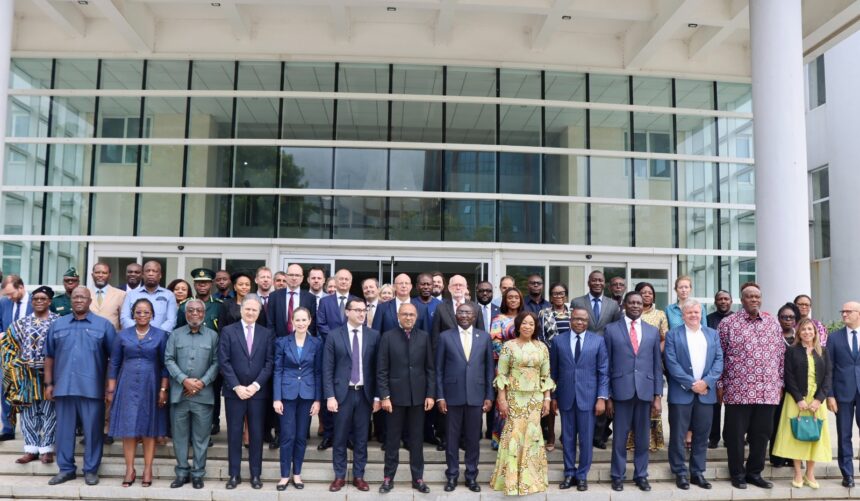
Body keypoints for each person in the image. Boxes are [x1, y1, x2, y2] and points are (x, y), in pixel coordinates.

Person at [44, 287, 116, 486]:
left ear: (89, 300)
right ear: (71, 300)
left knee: (93, 432)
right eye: (75, 296)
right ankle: (66, 469)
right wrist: (48, 383)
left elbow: (114, 359)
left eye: (82, 297)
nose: (78, 300)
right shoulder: (58, 325)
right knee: (64, 432)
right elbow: (49, 356)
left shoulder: (104, 326)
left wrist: (110, 386)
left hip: (92, 388)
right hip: (64, 387)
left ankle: (91, 470)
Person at [718, 283, 784, 490]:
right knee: (736, 436)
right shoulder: (729, 323)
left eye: (757, 296)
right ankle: (737, 474)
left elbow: (781, 356)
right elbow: (719, 356)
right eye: (750, 297)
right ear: (742, 299)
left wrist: (780, 383)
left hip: (767, 392)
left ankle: (755, 473)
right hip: (738, 392)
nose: (754, 300)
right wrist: (720, 384)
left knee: (762, 435)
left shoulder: (772, 323)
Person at [106, 298, 169, 488]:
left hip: (151, 383)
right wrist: (111, 389)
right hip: (126, 384)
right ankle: (129, 469)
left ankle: (148, 469)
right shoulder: (123, 335)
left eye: (146, 312)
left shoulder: (161, 335)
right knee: (129, 428)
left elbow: (165, 365)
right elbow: (114, 362)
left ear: (152, 315)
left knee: (149, 428)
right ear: (133, 314)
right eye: (138, 312)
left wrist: (163, 389)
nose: (142, 315)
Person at [489, 311, 554, 495]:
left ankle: (530, 481)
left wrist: (547, 399)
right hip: (514, 397)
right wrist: (501, 399)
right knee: (514, 436)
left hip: (535, 398)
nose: (527, 326)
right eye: (524, 323)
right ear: (518, 325)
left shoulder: (542, 347)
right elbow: (501, 374)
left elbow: (545, 376)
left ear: (535, 327)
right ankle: (509, 481)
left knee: (532, 436)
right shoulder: (508, 347)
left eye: (531, 324)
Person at [604, 291, 662, 492]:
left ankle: (641, 475)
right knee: (619, 438)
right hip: (621, 392)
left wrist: (658, 396)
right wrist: (608, 395)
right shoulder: (611, 330)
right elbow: (607, 365)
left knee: (643, 438)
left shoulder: (652, 331)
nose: (636, 305)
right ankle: (618, 476)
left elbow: (657, 365)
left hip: (645, 392)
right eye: (632, 302)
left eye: (639, 302)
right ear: (625, 305)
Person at [664, 298, 724, 490]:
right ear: (683, 316)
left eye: (696, 312)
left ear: (701, 314)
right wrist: (692, 384)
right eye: (689, 312)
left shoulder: (712, 334)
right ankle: (680, 473)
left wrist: (706, 382)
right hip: (681, 393)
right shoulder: (673, 335)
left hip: (706, 393)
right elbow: (671, 364)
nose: (693, 315)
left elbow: (719, 361)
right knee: (678, 435)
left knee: (701, 435)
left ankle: (697, 472)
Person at [323, 298, 380, 493]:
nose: (361, 314)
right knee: (339, 437)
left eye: (364, 310)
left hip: (364, 394)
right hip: (342, 394)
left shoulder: (374, 336)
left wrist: (378, 397)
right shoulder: (334, 336)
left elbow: (378, 369)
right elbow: (327, 368)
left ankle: (358, 476)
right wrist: (330, 396)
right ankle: (339, 476)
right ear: (347, 312)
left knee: (362, 438)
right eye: (357, 310)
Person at [377, 303, 435, 495]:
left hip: (418, 398)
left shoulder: (424, 337)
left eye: (411, 314)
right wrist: (384, 396)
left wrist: (430, 394)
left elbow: (430, 369)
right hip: (394, 399)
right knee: (392, 440)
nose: (408, 317)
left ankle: (418, 478)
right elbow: (382, 370)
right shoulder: (387, 337)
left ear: (416, 316)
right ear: (398, 316)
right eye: (405, 314)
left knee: (417, 441)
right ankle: (388, 478)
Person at [435, 303, 493, 493]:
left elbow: (489, 370)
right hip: (452, 396)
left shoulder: (484, 337)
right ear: (456, 315)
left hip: (476, 396)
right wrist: (440, 396)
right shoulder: (445, 337)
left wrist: (489, 396)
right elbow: (439, 370)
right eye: (461, 312)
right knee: (451, 439)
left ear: (475, 315)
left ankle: (471, 476)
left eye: (468, 312)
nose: (465, 315)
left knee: (472, 440)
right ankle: (452, 475)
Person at [218, 294, 274, 490]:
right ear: (241, 310)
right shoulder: (227, 331)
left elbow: (269, 363)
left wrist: (255, 386)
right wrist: (237, 386)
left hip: (257, 393)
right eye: (247, 309)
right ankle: (234, 475)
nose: (251, 312)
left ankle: (255, 475)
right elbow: (223, 361)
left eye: (255, 310)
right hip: (235, 393)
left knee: (257, 435)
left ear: (259, 313)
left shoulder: (266, 334)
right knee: (234, 434)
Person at [550, 306, 608, 492]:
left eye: (583, 319)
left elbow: (603, 372)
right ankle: (569, 473)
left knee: (585, 439)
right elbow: (554, 372)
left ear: (588, 321)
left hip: (589, 399)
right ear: (570, 319)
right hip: (566, 397)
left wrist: (601, 398)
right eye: (576, 319)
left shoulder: (598, 341)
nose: (579, 322)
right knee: (567, 439)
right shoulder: (558, 341)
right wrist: (553, 396)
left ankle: (582, 475)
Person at [164, 298, 220, 490]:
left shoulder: (213, 336)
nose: (194, 313)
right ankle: (181, 472)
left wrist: (202, 382)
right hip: (180, 395)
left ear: (204, 314)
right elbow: (168, 359)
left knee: (200, 438)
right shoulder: (175, 335)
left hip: (203, 396)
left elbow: (217, 362)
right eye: (190, 311)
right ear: (185, 313)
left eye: (198, 310)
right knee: (179, 437)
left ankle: (197, 473)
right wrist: (184, 380)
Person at [0, 286, 58, 464]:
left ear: (49, 302)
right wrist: (17, 365)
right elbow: (7, 347)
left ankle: (46, 449)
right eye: (36, 299)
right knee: (28, 413)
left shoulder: (59, 322)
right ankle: (31, 449)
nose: (39, 301)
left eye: (43, 299)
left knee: (49, 413)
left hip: (50, 377)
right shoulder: (20, 323)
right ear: (32, 302)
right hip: (26, 378)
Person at [772, 318, 832, 490]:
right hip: (795, 400)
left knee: (814, 436)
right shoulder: (792, 351)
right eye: (803, 329)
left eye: (810, 329)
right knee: (795, 437)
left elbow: (828, 377)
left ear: (815, 332)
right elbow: (788, 376)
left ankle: (810, 473)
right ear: (798, 333)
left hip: (816, 401)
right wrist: (799, 399)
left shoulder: (824, 352)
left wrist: (819, 400)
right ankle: (798, 473)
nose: (807, 332)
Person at [272, 307, 321, 491]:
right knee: (287, 436)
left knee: (301, 436)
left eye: (304, 320)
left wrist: (318, 400)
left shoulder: (316, 343)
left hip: (307, 395)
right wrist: (277, 398)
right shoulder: (282, 342)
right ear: (292, 322)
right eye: (297, 320)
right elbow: (277, 371)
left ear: (309, 321)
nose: (300, 323)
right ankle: (285, 475)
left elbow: (318, 372)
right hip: (286, 395)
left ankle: (297, 474)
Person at [176, 268, 224, 436]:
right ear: (194, 285)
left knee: (213, 391)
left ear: (211, 284)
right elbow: (179, 330)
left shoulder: (219, 306)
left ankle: (212, 423)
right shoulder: (185, 306)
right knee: (189, 393)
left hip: (211, 356)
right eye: (198, 283)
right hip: (188, 355)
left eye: (205, 282)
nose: (202, 285)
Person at [315, 268, 359, 451]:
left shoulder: (357, 301)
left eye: (347, 279)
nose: (343, 282)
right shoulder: (325, 301)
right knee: (330, 394)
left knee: (348, 397)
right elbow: (320, 324)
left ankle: (348, 436)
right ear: (335, 281)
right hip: (331, 351)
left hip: (352, 355)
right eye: (340, 279)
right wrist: (339, 337)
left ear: (350, 281)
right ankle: (329, 435)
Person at [826, 302, 860, 487]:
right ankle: (847, 475)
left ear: (859, 314)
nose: (844, 314)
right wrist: (830, 395)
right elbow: (828, 368)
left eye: (849, 311)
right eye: (843, 311)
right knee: (844, 434)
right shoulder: (834, 338)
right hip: (842, 393)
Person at [633, 281, 669, 452]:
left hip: (653, 363)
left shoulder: (660, 314)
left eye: (650, 292)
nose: (647, 295)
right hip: (632, 364)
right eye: (643, 292)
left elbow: (664, 338)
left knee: (653, 401)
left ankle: (653, 441)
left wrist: (654, 353)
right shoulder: (631, 313)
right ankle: (632, 441)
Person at [489, 287, 524, 449]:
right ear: (505, 300)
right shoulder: (498, 319)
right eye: (510, 297)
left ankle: (518, 438)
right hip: (504, 367)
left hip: (524, 369)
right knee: (503, 403)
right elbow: (496, 345)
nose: (513, 300)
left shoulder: (525, 318)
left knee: (520, 403)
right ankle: (500, 439)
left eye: (516, 297)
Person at [537, 282, 571, 451]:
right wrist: (554, 354)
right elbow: (541, 337)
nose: (558, 296)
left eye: (562, 293)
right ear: (550, 296)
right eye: (555, 293)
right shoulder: (544, 313)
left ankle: (566, 435)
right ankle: (550, 436)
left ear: (566, 295)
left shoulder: (573, 312)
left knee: (567, 398)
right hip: (551, 360)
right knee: (550, 396)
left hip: (571, 361)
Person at [0, 275, 33, 441]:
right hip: (7, 355)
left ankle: (31, 431)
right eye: (6, 294)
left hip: (29, 356)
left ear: (21, 287)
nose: (9, 297)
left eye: (11, 293)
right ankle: (8, 429)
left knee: (28, 392)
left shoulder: (37, 301)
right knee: (4, 390)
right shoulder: (4, 302)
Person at [770, 302, 800, 467]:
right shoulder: (772, 336)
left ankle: (793, 457)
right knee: (776, 422)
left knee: (793, 422)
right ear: (778, 319)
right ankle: (777, 458)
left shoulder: (800, 336)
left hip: (796, 387)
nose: (787, 320)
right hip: (777, 387)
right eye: (784, 317)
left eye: (791, 317)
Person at [706, 289, 733, 448]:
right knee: (714, 404)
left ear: (731, 301)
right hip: (713, 368)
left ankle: (730, 437)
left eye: (726, 299)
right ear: (715, 302)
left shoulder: (738, 318)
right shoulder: (708, 319)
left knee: (732, 406)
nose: (723, 301)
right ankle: (713, 437)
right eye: (720, 299)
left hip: (732, 369)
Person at [120, 260, 177, 332]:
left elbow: (171, 320)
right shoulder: (131, 294)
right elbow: (124, 318)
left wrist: (157, 334)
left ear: (160, 275)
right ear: (143, 275)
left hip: (160, 338)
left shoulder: (169, 295)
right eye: (148, 271)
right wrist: (139, 332)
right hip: (135, 338)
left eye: (154, 271)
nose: (151, 274)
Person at [373, 273, 431, 340]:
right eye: (400, 283)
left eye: (406, 283)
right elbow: (375, 335)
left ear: (411, 286)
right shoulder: (382, 308)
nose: (404, 286)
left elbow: (426, 335)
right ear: (394, 286)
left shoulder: (422, 308)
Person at [267, 264, 317, 338]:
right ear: (286, 277)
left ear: (302, 278)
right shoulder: (274, 296)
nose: (294, 278)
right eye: (291, 275)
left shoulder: (310, 298)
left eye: (297, 275)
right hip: (278, 343)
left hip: (303, 343)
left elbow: (312, 324)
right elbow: (270, 323)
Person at [571, 270, 623, 335]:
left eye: (600, 280)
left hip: (605, 343)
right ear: (588, 283)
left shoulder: (613, 304)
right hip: (584, 343)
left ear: (604, 284)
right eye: (594, 280)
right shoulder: (576, 302)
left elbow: (615, 327)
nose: (597, 283)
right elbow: (573, 326)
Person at [89, 262, 127, 331]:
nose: (100, 275)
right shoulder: (85, 294)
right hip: (90, 337)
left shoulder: (121, 294)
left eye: (104, 273)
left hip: (112, 338)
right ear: (92, 275)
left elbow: (123, 321)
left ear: (110, 275)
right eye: (97, 272)